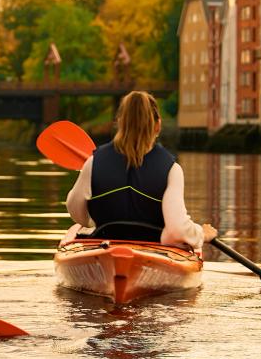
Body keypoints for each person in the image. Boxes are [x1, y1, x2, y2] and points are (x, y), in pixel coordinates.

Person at [64, 90, 214, 252]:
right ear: (157, 125)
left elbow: (75, 210)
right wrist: (201, 234)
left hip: (104, 245)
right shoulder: (172, 169)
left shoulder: (93, 163)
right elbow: (177, 229)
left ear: (120, 123)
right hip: (154, 251)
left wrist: (92, 224)